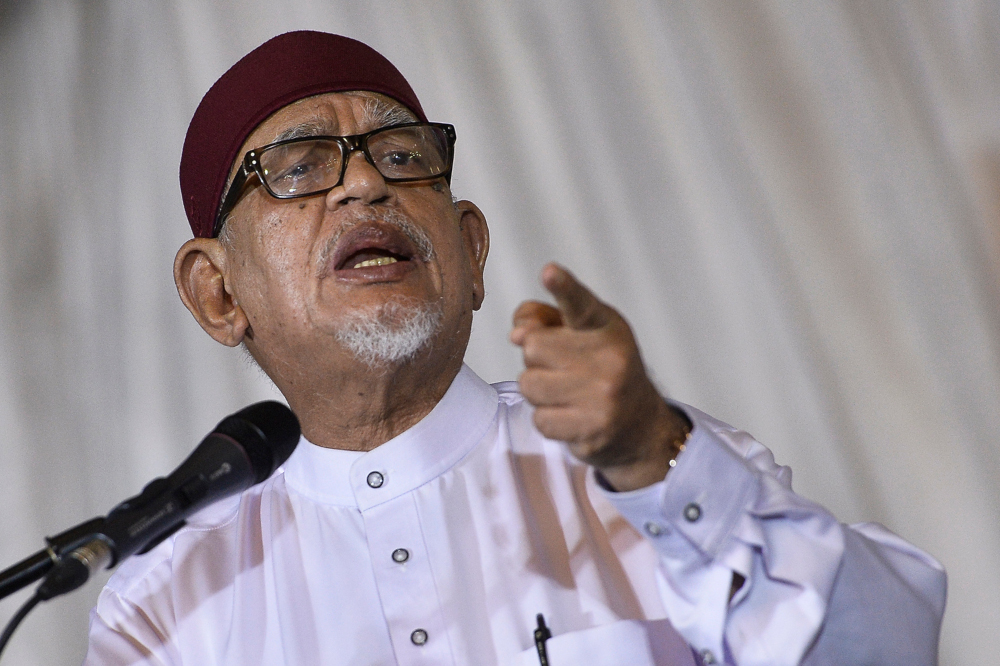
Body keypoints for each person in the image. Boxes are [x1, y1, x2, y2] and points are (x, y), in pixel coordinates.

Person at [83, 31, 946, 665]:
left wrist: (659, 458)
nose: (366, 181)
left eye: (400, 153)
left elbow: (889, 650)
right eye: (301, 166)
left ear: (469, 248)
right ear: (218, 293)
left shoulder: (660, 470)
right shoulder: (164, 609)